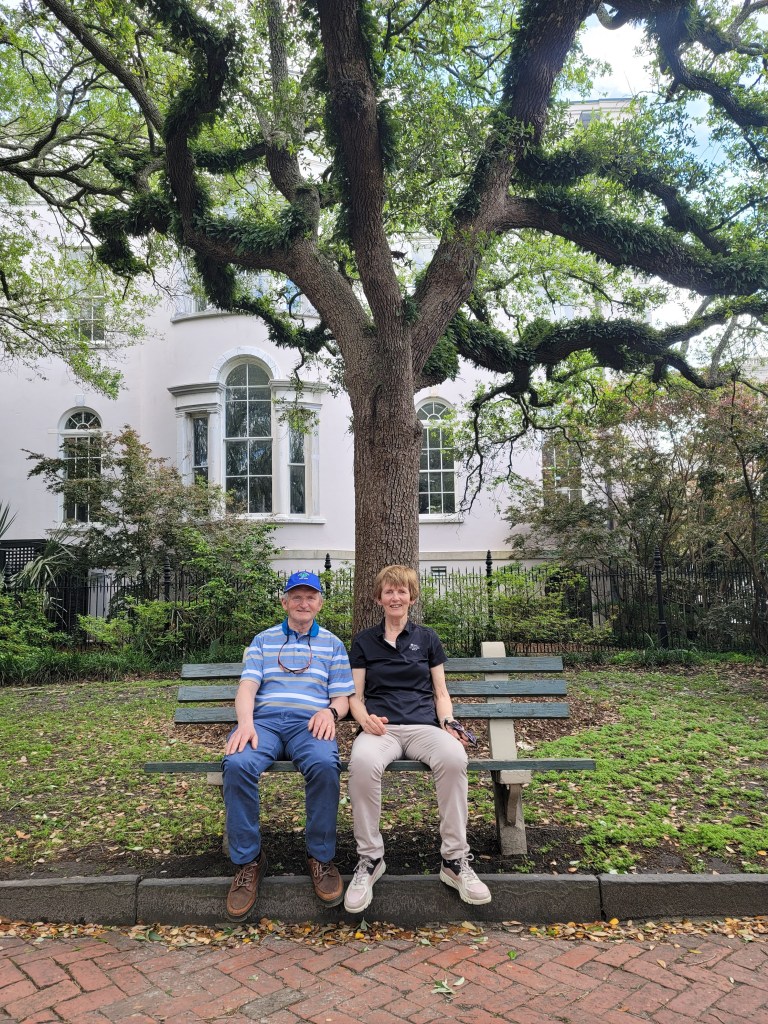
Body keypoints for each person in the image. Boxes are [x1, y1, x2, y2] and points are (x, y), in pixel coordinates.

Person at [344, 564, 491, 913]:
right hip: (381, 729)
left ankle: (454, 860)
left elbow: (441, 692)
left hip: (424, 727)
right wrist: (364, 720)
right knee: (361, 763)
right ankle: (370, 859)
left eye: (402, 591)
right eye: (389, 591)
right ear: (379, 598)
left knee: (454, 758)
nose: (396, 597)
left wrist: (448, 721)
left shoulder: (427, 639)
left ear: (412, 597)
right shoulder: (364, 641)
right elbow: (355, 696)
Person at [222, 570, 354, 920]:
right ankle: (249, 861)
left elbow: (342, 697)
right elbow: (247, 687)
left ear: (320, 604)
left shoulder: (333, 644)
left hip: (308, 725)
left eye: (310, 597)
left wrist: (330, 712)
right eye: (296, 596)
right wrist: (246, 724)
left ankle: (320, 857)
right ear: (284, 602)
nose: (303, 603)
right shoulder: (263, 640)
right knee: (237, 764)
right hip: (264, 724)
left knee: (325, 765)